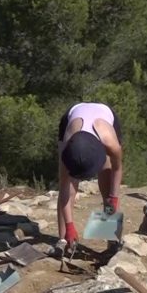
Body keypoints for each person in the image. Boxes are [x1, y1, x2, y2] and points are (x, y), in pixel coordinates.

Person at [56, 102, 123, 256]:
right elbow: (65, 185)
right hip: (72, 119)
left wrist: (113, 197)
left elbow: (117, 168)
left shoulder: (110, 142)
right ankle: (64, 240)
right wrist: (70, 225)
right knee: (67, 186)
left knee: (107, 185)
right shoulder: (68, 147)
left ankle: (110, 240)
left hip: (104, 121)